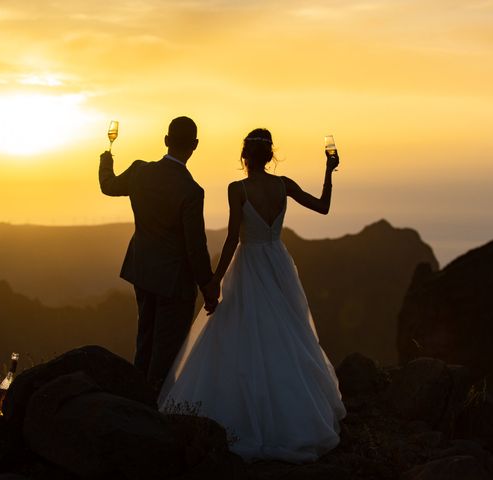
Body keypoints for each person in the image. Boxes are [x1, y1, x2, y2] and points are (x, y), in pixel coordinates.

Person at [158, 128, 346, 463]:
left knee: (242, 334)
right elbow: (323, 207)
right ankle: (294, 412)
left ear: (244, 157)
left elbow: (232, 238)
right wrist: (329, 171)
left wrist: (214, 280)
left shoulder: (238, 189)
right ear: (270, 155)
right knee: (287, 334)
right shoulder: (283, 185)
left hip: (249, 264)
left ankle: (246, 412)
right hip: (278, 264)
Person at [98, 116, 219, 393]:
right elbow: (195, 246)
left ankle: (136, 401)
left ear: (166, 141)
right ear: (195, 145)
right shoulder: (191, 191)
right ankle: (154, 409)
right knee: (167, 353)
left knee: (145, 341)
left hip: (142, 272)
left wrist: (106, 158)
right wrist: (208, 286)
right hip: (174, 284)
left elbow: (109, 185)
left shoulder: (140, 172)